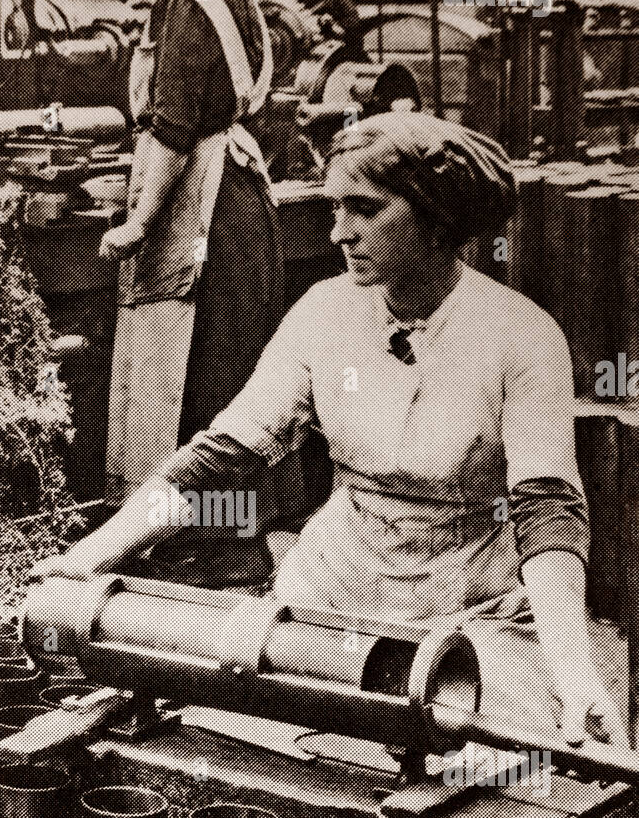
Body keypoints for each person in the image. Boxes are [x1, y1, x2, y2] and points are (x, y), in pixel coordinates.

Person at [36, 111, 626, 748]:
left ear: (436, 220)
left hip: (469, 596)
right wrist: (87, 558)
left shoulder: (521, 336)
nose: (339, 233)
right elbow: (219, 460)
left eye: (365, 210)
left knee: (490, 762)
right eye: (334, 208)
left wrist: (571, 662)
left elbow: (547, 510)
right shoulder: (324, 311)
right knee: (259, 747)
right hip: (334, 584)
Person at [99, 0, 293, 587]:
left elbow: (173, 128)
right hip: (243, 198)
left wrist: (137, 224)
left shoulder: (184, 5)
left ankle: (208, 551)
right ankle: (231, 542)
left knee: (200, 379)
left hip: (203, 208)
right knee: (236, 375)